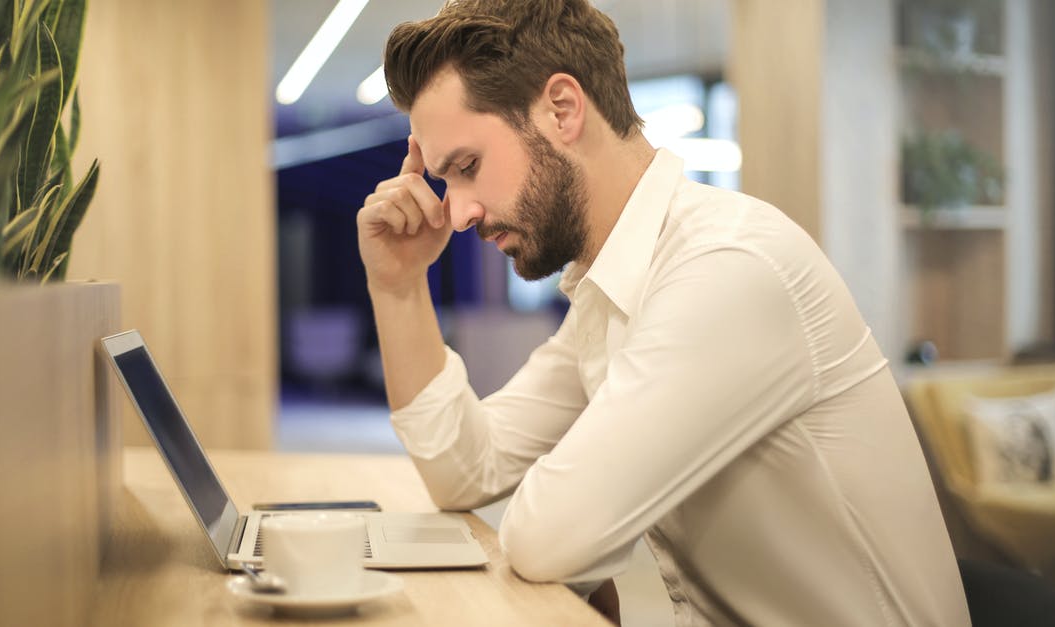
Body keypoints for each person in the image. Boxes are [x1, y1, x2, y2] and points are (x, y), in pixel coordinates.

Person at [355, 1, 970, 624]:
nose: (457, 214)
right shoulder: (614, 289)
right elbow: (466, 470)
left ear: (562, 109)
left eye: (467, 168)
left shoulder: (726, 268)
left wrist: (574, 544)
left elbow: (551, 538)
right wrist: (400, 286)